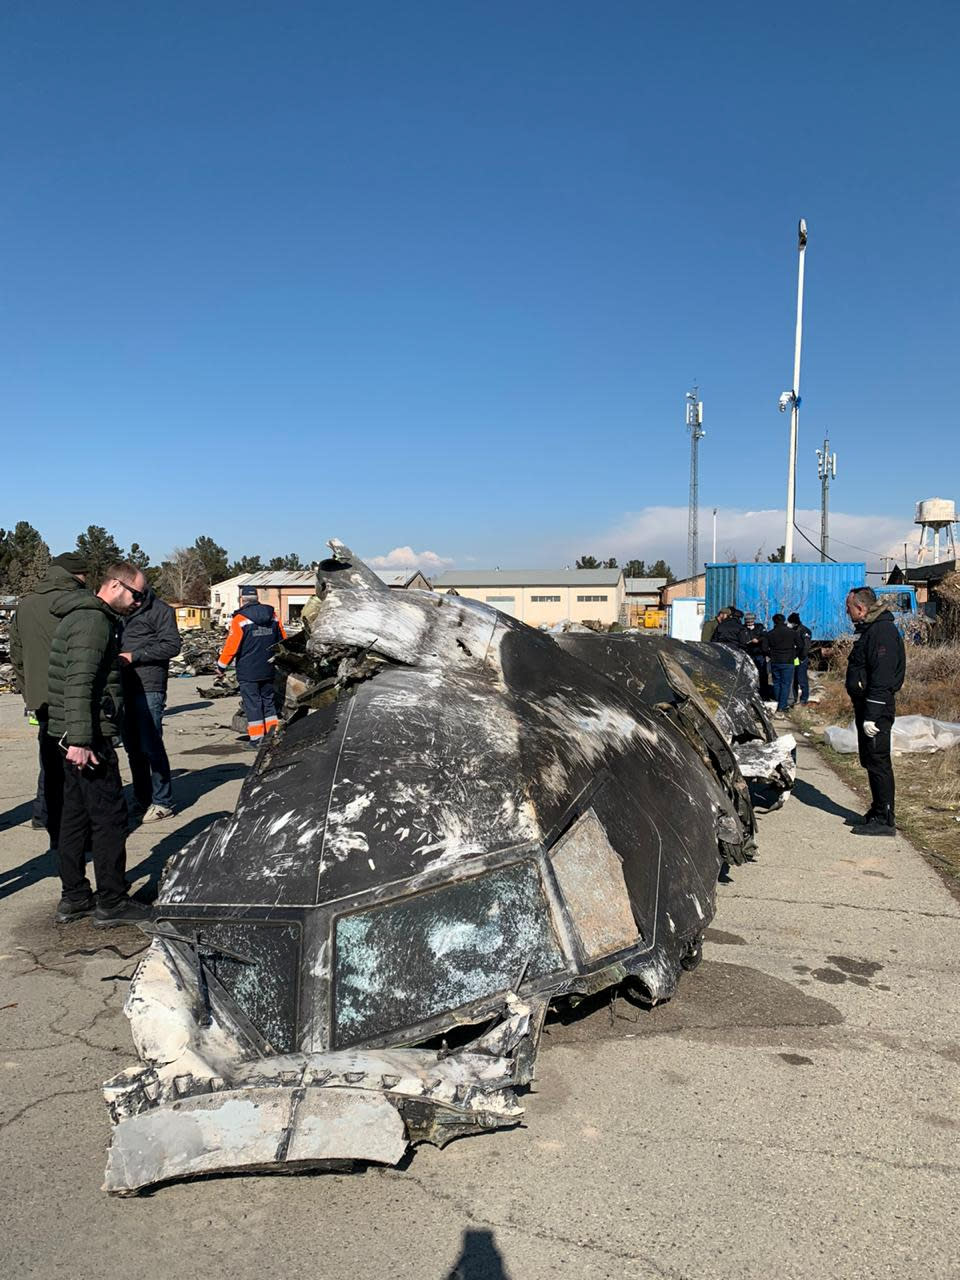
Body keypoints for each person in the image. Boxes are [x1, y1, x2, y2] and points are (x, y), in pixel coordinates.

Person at [46, 561, 151, 926]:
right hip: (86, 736)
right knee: (110, 818)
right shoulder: (94, 622)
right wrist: (81, 740)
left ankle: (74, 896)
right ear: (115, 586)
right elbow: (79, 683)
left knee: (74, 817)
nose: (140, 602)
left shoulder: (83, 616)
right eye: (137, 595)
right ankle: (112, 900)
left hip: (70, 734)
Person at [9, 552, 89, 851]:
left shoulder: (26, 605)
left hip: (41, 699)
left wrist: (29, 689)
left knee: (50, 759)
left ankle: (45, 816)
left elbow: (15, 653)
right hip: (74, 698)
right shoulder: (78, 603)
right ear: (78, 576)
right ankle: (73, 831)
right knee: (80, 765)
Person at [845, 586, 905, 836]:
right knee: (870, 760)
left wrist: (872, 714)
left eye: (848, 608)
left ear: (860, 608)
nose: (847, 613)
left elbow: (881, 677)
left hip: (876, 709)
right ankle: (878, 809)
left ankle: (884, 817)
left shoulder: (882, 632)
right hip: (868, 705)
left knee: (879, 760)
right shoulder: (870, 629)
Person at [119, 580, 181, 823]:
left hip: (149, 687)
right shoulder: (121, 612)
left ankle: (162, 801)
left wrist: (135, 656)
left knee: (151, 746)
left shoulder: (161, 611)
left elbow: (172, 645)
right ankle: (142, 798)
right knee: (133, 748)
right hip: (124, 686)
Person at [217, 586, 286, 748]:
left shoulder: (240, 620)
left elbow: (231, 647)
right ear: (257, 598)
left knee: (253, 704)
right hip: (269, 667)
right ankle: (271, 736)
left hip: (248, 670)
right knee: (269, 702)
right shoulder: (273, 617)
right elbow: (283, 640)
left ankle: (256, 739)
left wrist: (221, 666)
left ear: (242, 599)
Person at [763, 613, 802, 714]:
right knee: (786, 684)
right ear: (784, 620)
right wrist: (794, 655)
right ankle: (782, 706)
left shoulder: (770, 633)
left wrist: (771, 654)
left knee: (776, 683)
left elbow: (764, 648)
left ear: (774, 621)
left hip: (775, 661)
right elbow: (800, 645)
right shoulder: (792, 633)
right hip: (788, 661)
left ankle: (778, 703)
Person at [739, 612, 769, 698]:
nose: (749, 623)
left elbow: (765, 636)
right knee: (749, 674)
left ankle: (764, 694)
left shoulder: (760, 627)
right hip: (748, 653)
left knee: (763, 674)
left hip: (759, 653)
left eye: (751, 622)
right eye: (747, 622)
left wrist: (758, 640)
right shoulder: (742, 629)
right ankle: (750, 693)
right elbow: (741, 640)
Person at [788, 612, 813, 706]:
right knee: (794, 679)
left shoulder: (804, 631)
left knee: (802, 679)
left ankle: (804, 699)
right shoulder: (792, 630)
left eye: (790, 622)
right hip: (793, 658)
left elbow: (806, 647)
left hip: (801, 659)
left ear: (794, 623)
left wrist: (801, 658)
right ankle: (794, 699)